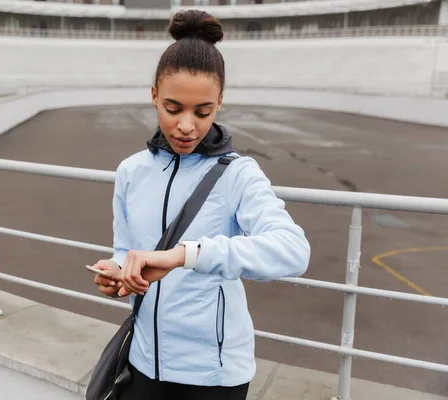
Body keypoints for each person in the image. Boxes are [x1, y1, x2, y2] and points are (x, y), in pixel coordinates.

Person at [90, 9, 310, 400]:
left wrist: (185, 255)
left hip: (214, 375)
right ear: (154, 96)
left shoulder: (239, 174)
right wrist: (117, 272)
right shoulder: (130, 171)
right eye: (173, 108)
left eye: (202, 111)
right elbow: (126, 248)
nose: (187, 126)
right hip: (142, 362)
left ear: (220, 103)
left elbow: (293, 251)